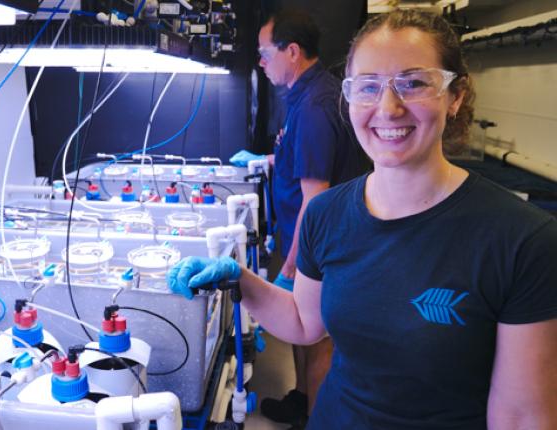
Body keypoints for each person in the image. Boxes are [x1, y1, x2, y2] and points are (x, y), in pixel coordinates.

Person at [170, 9, 557, 430]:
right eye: (368, 87)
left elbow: (521, 418)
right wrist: (240, 280)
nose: (388, 108)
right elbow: (304, 321)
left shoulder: (523, 241)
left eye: (413, 83)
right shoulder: (326, 213)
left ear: (455, 95)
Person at [231, 9, 371, 428]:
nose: (260, 62)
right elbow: (302, 160)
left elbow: (316, 198)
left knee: (317, 339)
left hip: (318, 247)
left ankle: (315, 419)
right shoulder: (304, 96)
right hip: (303, 238)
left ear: (291, 52)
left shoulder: (313, 106)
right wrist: (268, 159)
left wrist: (293, 262)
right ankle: (301, 399)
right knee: (297, 329)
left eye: (264, 53)